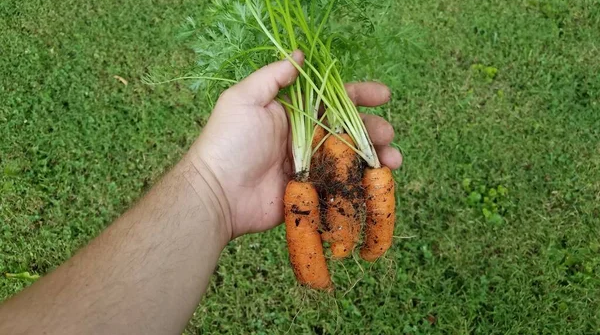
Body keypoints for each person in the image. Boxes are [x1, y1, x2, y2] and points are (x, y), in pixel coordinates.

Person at [0, 51, 402, 334]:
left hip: (315, 160)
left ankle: (346, 241)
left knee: (340, 172)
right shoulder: (304, 178)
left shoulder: (326, 151)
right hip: (302, 172)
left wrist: (212, 187)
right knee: (338, 174)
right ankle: (343, 244)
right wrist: (212, 181)